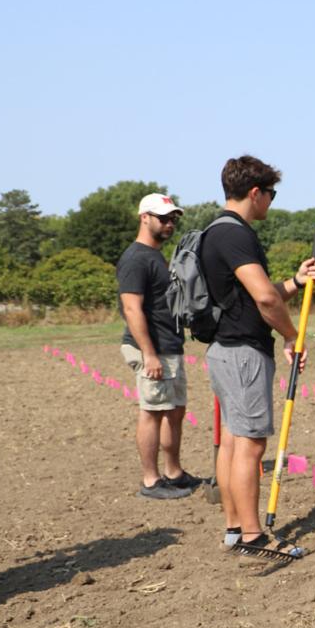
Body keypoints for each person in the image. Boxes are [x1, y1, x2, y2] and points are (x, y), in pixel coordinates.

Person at [200, 157, 315, 559]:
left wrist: (296, 281)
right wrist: (292, 336)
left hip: (224, 350)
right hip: (242, 355)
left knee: (234, 441)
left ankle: (236, 528)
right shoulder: (236, 235)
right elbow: (264, 298)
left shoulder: (216, 232)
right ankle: (253, 536)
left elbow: (256, 296)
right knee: (250, 444)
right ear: (255, 192)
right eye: (271, 193)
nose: (271, 201)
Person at [117, 192, 199, 499]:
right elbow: (131, 309)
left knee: (174, 411)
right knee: (152, 412)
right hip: (152, 349)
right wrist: (149, 354)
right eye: (163, 218)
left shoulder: (156, 256)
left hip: (169, 346)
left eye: (173, 219)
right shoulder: (136, 258)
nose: (169, 224)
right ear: (144, 218)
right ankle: (151, 481)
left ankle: (174, 473)